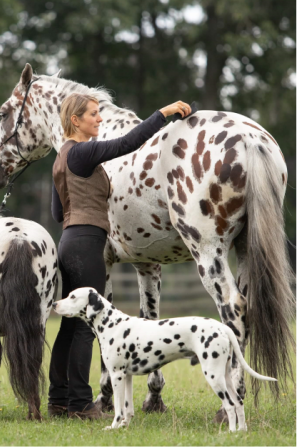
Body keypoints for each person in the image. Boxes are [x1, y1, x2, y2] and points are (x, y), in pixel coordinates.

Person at [48, 93, 191, 419]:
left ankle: (58, 400)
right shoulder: (83, 153)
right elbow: (127, 143)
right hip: (87, 243)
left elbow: (58, 212)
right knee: (86, 328)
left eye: (100, 114)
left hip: (68, 241)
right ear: (76, 121)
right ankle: (82, 405)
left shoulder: (60, 159)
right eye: (93, 115)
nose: (99, 120)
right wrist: (163, 113)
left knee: (69, 327)